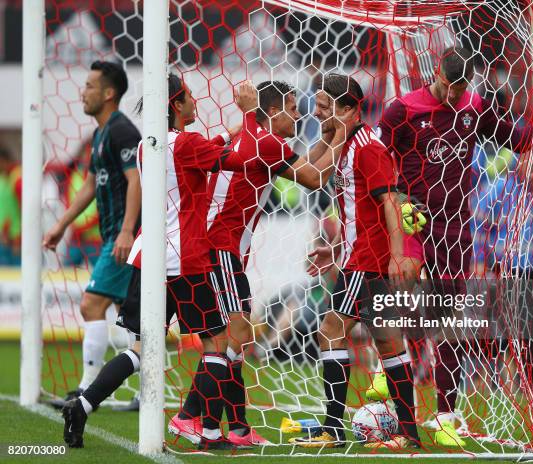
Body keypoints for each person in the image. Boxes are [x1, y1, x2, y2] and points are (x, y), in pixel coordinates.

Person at [377, 46, 533, 447]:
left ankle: (445, 414)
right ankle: (391, 379)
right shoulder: (402, 110)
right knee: (399, 294)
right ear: (437, 75)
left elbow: (519, 141)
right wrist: (394, 202)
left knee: (451, 321)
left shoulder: (474, 106)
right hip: (410, 222)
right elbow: (378, 160)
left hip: (454, 228)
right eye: (451, 86)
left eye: (463, 87)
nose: (456, 95)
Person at [60, 76, 260, 449]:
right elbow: (240, 159)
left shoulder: (144, 146)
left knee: (141, 349)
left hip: (147, 257)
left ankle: (83, 404)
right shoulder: (188, 143)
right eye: (188, 95)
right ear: (175, 103)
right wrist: (249, 116)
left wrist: (225, 136)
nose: (194, 100)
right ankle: (212, 435)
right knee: (217, 342)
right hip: (186, 260)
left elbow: (195, 155)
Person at [170, 79, 352, 447]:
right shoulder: (265, 143)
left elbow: (308, 165)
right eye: (292, 107)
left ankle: (236, 428)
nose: (300, 114)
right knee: (230, 337)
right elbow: (316, 178)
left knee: (234, 338)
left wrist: (331, 136)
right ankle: (190, 416)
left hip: (224, 248)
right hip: (218, 247)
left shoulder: (260, 142)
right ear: (271, 111)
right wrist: (342, 134)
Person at [290, 74, 420, 450]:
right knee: (388, 343)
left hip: (368, 259)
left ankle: (333, 427)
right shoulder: (344, 144)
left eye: (325, 108)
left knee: (331, 328)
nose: (318, 114)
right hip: (358, 254)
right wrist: (333, 251)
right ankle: (408, 433)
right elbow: (355, 207)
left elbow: (390, 202)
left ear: (348, 109)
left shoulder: (366, 147)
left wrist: (398, 255)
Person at [43, 61, 142, 405]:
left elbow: (136, 179)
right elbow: (89, 184)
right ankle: (147, 391)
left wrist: (128, 230)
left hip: (123, 236)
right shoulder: (102, 134)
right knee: (134, 320)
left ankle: (87, 389)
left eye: (89, 86)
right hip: (116, 235)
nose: (82, 92)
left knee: (90, 305)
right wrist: (61, 224)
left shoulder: (122, 131)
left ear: (109, 93)